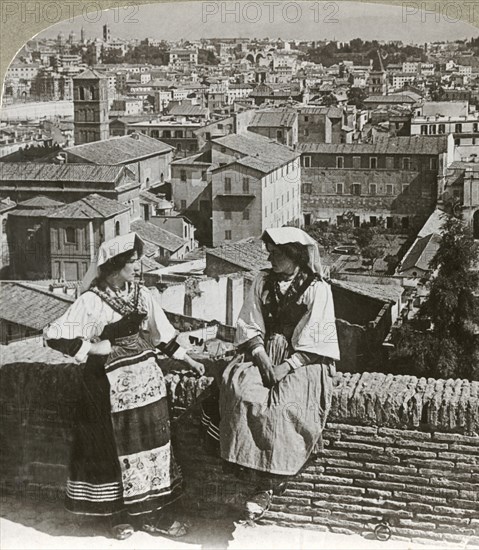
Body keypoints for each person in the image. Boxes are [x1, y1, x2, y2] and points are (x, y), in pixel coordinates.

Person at [44, 233, 204, 540]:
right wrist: (94, 348)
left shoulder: (141, 294)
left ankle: (153, 514)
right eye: (132, 262)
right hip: (104, 386)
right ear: (115, 266)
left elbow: (162, 335)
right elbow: (54, 335)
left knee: (150, 447)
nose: (138, 266)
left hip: (145, 384)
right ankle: (115, 515)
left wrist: (187, 361)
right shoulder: (90, 301)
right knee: (112, 448)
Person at [202, 227, 340, 520]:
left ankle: (268, 485)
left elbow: (317, 336)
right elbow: (249, 323)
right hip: (262, 352)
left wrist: (286, 366)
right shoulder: (262, 281)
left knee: (282, 409)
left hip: (302, 359)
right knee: (240, 393)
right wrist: (263, 360)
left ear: (294, 255)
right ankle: (246, 474)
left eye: (277, 253)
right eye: (270, 252)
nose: (270, 257)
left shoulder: (317, 288)